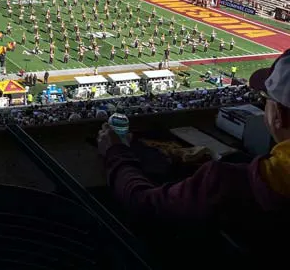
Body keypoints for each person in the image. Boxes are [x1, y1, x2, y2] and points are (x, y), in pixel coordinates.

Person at [97, 49, 290, 226]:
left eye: (265, 99)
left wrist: (116, 152)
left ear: (278, 116)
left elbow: (142, 203)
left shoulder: (224, 181)